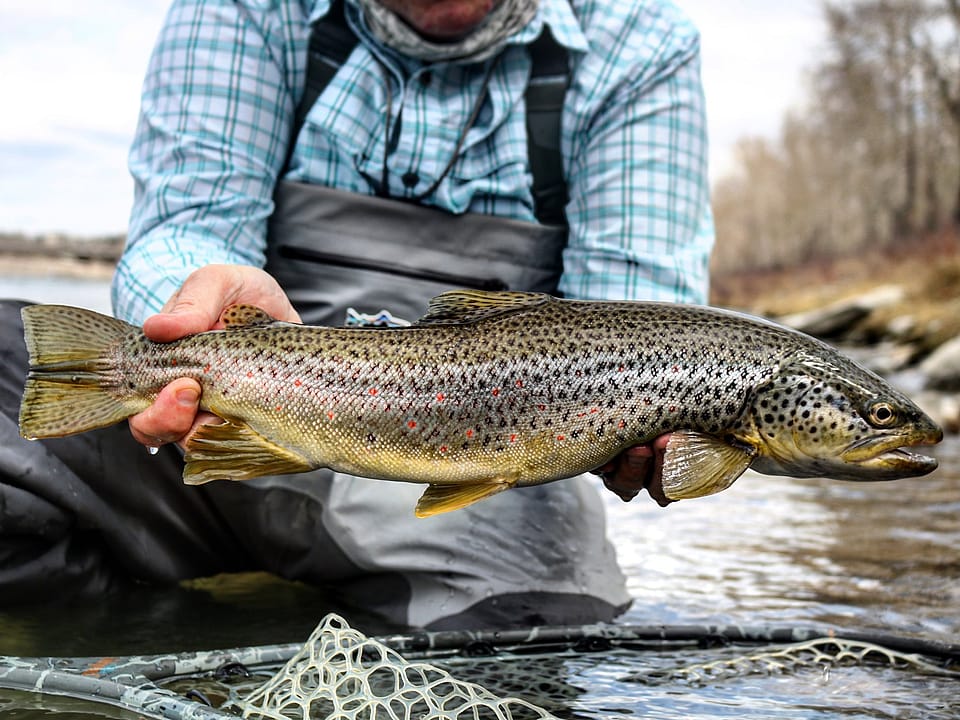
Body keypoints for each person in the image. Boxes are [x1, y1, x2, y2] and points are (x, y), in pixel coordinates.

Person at [0, 0, 712, 629]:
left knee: (544, 631)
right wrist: (191, 302)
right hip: (222, 424)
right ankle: (130, 625)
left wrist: (641, 432)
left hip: (474, 451)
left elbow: (640, 320)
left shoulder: (640, 42)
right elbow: (188, 219)